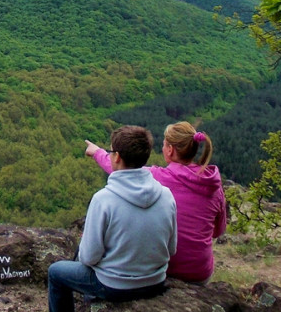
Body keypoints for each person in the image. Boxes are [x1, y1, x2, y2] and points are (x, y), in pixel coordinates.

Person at [44, 125, 176, 312]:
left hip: (115, 286)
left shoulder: (104, 199)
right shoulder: (166, 194)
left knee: (56, 272)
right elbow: (172, 248)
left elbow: (88, 258)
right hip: (156, 281)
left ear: (116, 157)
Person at [86, 120, 226, 284]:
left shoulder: (158, 178)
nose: (162, 148)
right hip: (200, 273)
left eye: (164, 144)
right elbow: (218, 231)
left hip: (164, 268)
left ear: (170, 150)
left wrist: (97, 152)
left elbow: (123, 168)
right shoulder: (214, 187)